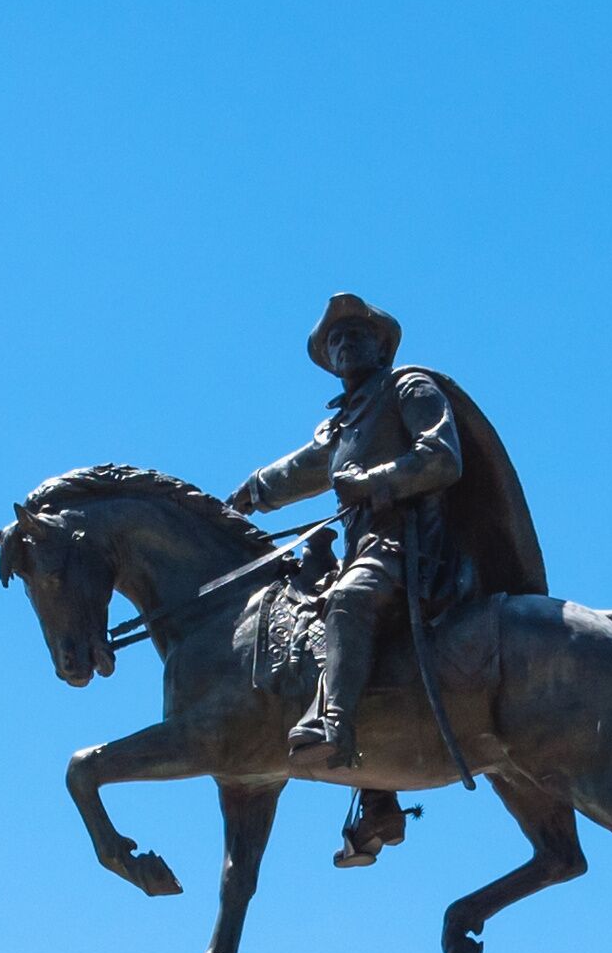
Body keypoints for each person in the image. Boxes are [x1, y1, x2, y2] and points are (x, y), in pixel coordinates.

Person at [227, 292, 546, 860]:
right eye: (335, 340)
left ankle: (334, 725)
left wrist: (373, 482)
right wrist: (252, 493)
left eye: (356, 334)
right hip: (369, 549)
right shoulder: (345, 421)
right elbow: (302, 469)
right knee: (305, 619)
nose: (345, 343)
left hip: (416, 550)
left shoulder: (410, 390)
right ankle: (378, 801)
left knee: (348, 601)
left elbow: (443, 457)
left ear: (381, 345)